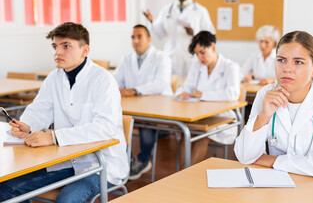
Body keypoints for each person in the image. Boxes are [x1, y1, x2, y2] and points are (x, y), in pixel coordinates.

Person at [0, 22, 128, 202]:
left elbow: (105, 128)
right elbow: (40, 109)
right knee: (6, 189)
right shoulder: (54, 78)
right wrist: (27, 124)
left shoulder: (103, 80)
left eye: (66, 46)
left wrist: (53, 137)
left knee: (66, 200)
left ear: (85, 50)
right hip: (66, 159)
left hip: (102, 163)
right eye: (55, 46)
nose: (57, 52)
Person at [234, 31, 313, 180]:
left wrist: (273, 161)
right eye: (281, 60)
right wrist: (264, 116)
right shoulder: (266, 94)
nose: (287, 68)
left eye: (298, 62)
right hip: (282, 182)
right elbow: (245, 156)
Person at [114, 24, 172, 180]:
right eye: (133, 37)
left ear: (149, 39)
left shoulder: (161, 57)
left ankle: (144, 160)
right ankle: (128, 158)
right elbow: (116, 81)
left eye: (139, 37)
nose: (135, 40)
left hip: (156, 106)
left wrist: (133, 90)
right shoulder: (126, 58)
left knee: (147, 124)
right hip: (133, 105)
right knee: (115, 120)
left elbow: (161, 84)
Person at [175, 31, 240, 165]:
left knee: (202, 137)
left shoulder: (230, 67)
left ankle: (187, 177)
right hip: (199, 114)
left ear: (213, 47)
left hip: (222, 117)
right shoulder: (197, 65)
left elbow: (233, 93)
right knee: (184, 134)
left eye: (202, 52)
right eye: (197, 54)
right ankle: (181, 175)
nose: (200, 57)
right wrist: (184, 92)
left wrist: (203, 95)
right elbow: (188, 85)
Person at [143, 0, 215, 77]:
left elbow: (210, 35)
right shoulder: (167, 10)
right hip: (170, 56)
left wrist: (194, 33)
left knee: (188, 89)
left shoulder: (200, 11)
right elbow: (160, 35)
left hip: (190, 57)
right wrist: (151, 22)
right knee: (170, 88)